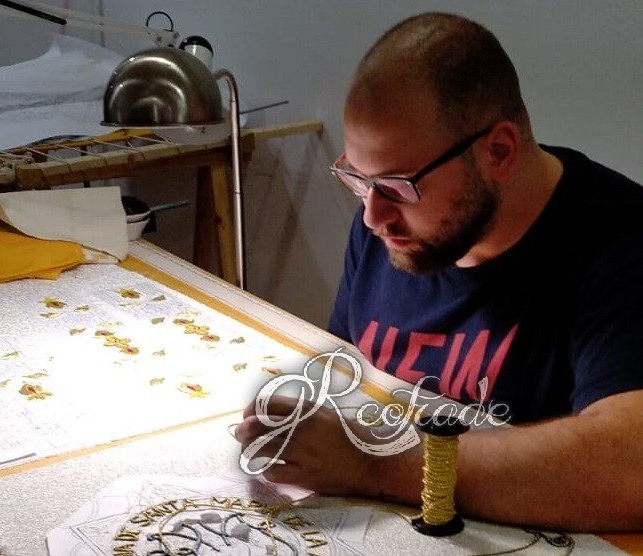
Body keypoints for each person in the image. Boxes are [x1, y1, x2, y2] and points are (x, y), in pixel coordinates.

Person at [235, 12, 643, 531]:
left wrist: (372, 468)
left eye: (399, 187)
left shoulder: (622, 243)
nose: (372, 217)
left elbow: (630, 467)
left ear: (498, 151)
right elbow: (350, 382)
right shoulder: (391, 227)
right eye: (357, 179)